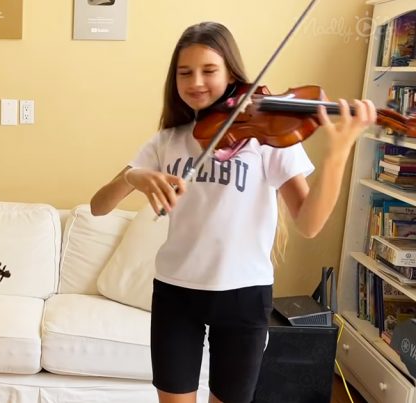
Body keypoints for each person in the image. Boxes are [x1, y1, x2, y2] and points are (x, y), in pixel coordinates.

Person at [89, 21, 375, 403]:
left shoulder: (267, 133)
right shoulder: (166, 141)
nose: (196, 82)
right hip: (177, 292)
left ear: (231, 74)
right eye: (184, 72)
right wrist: (135, 177)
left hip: (244, 295)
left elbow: (309, 224)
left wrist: (338, 154)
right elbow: (99, 205)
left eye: (209, 70)